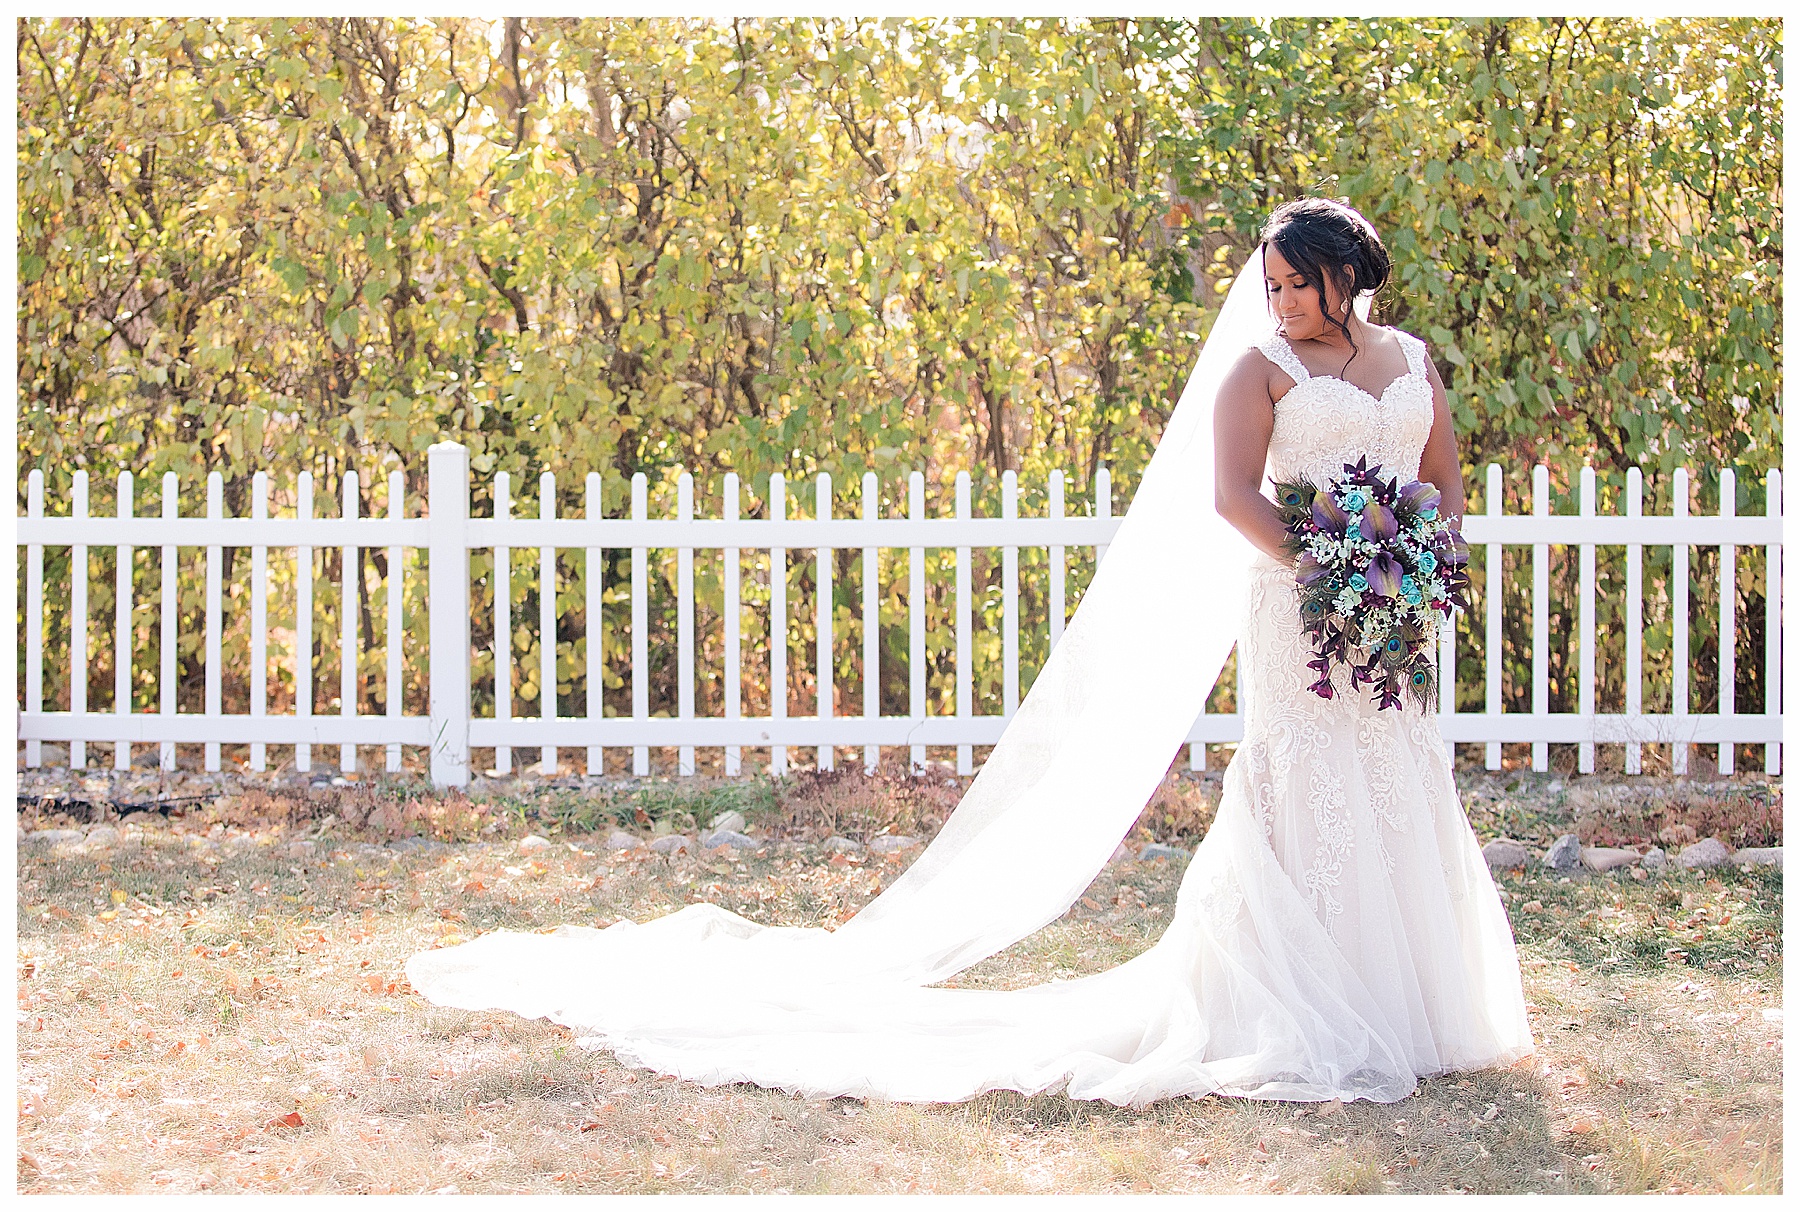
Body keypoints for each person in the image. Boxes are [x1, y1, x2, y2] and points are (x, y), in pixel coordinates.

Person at [408, 197, 1534, 1108]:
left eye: (1298, 282)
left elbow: (1443, 476)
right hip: (1302, 610)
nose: (1281, 301)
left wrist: (1423, 557)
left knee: (1397, 777)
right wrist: (1326, 566)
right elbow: (1233, 496)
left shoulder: (1413, 361)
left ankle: (1411, 1006)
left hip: (1398, 609)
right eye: (1273, 284)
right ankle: (1302, 1004)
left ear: (1348, 276)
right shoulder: (1260, 371)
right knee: (1307, 784)